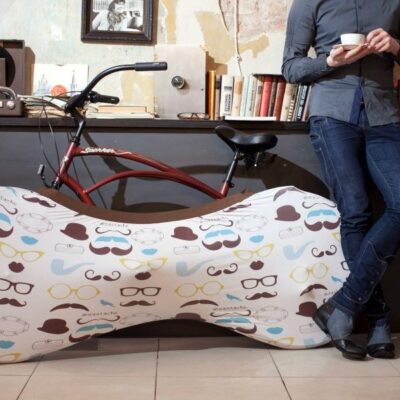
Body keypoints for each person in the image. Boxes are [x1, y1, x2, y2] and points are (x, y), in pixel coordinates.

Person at [282, 0, 400, 360]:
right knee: (356, 212)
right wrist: (329, 62)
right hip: (331, 116)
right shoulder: (309, 3)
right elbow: (291, 68)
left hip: (384, 115)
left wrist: (395, 46)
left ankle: (343, 305)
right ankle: (378, 321)